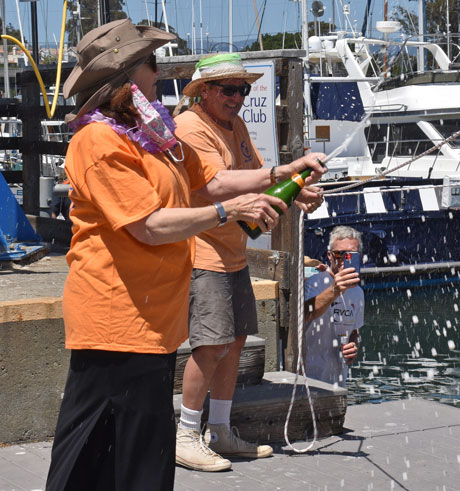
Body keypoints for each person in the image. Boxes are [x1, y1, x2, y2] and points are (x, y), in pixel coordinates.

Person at [45, 20, 324, 490]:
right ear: (128, 76)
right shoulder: (97, 140)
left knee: (143, 461)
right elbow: (149, 225)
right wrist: (228, 211)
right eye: (153, 62)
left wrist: (284, 176)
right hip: (113, 321)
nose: (160, 71)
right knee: (94, 462)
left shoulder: (155, 134)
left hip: (154, 320)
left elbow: (211, 181)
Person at [172, 53, 325, 472]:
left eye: (244, 89)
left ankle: (219, 429)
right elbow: (216, 183)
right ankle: (185, 434)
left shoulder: (235, 125)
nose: (238, 97)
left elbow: (261, 177)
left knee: (236, 342)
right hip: (202, 250)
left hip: (234, 252)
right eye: (229, 89)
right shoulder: (189, 126)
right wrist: (287, 169)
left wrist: (298, 192)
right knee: (211, 345)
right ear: (204, 91)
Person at [304, 226, 365, 388]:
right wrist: (335, 290)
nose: (345, 260)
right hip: (305, 378)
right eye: (340, 254)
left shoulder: (358, 292)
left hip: (336, 382)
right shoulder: (313, 282)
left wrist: (353, 346)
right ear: (330, 256)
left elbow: (354, 331)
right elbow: (304, 315)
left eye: (351, 255)